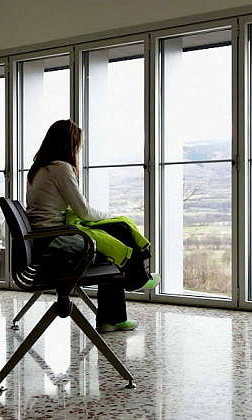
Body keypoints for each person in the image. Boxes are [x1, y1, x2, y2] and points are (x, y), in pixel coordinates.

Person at [26, 119, 156, 333]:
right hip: (55, 241)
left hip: (43, 238)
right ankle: (133, 287)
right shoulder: (61, 168)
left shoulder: (39, 169)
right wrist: (110, 216)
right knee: (119, 230)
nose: (78, 149)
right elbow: (83, 211)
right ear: (68, 144)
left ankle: (116, 312)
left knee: (115, 237)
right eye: (77, 144)